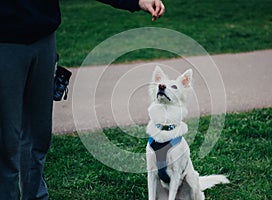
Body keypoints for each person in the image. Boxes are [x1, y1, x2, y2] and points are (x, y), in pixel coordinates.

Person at [0, 0, 165, 199]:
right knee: (6, 140)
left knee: (38, 136)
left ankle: (35, 196)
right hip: (5, 44)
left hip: (43, 39)